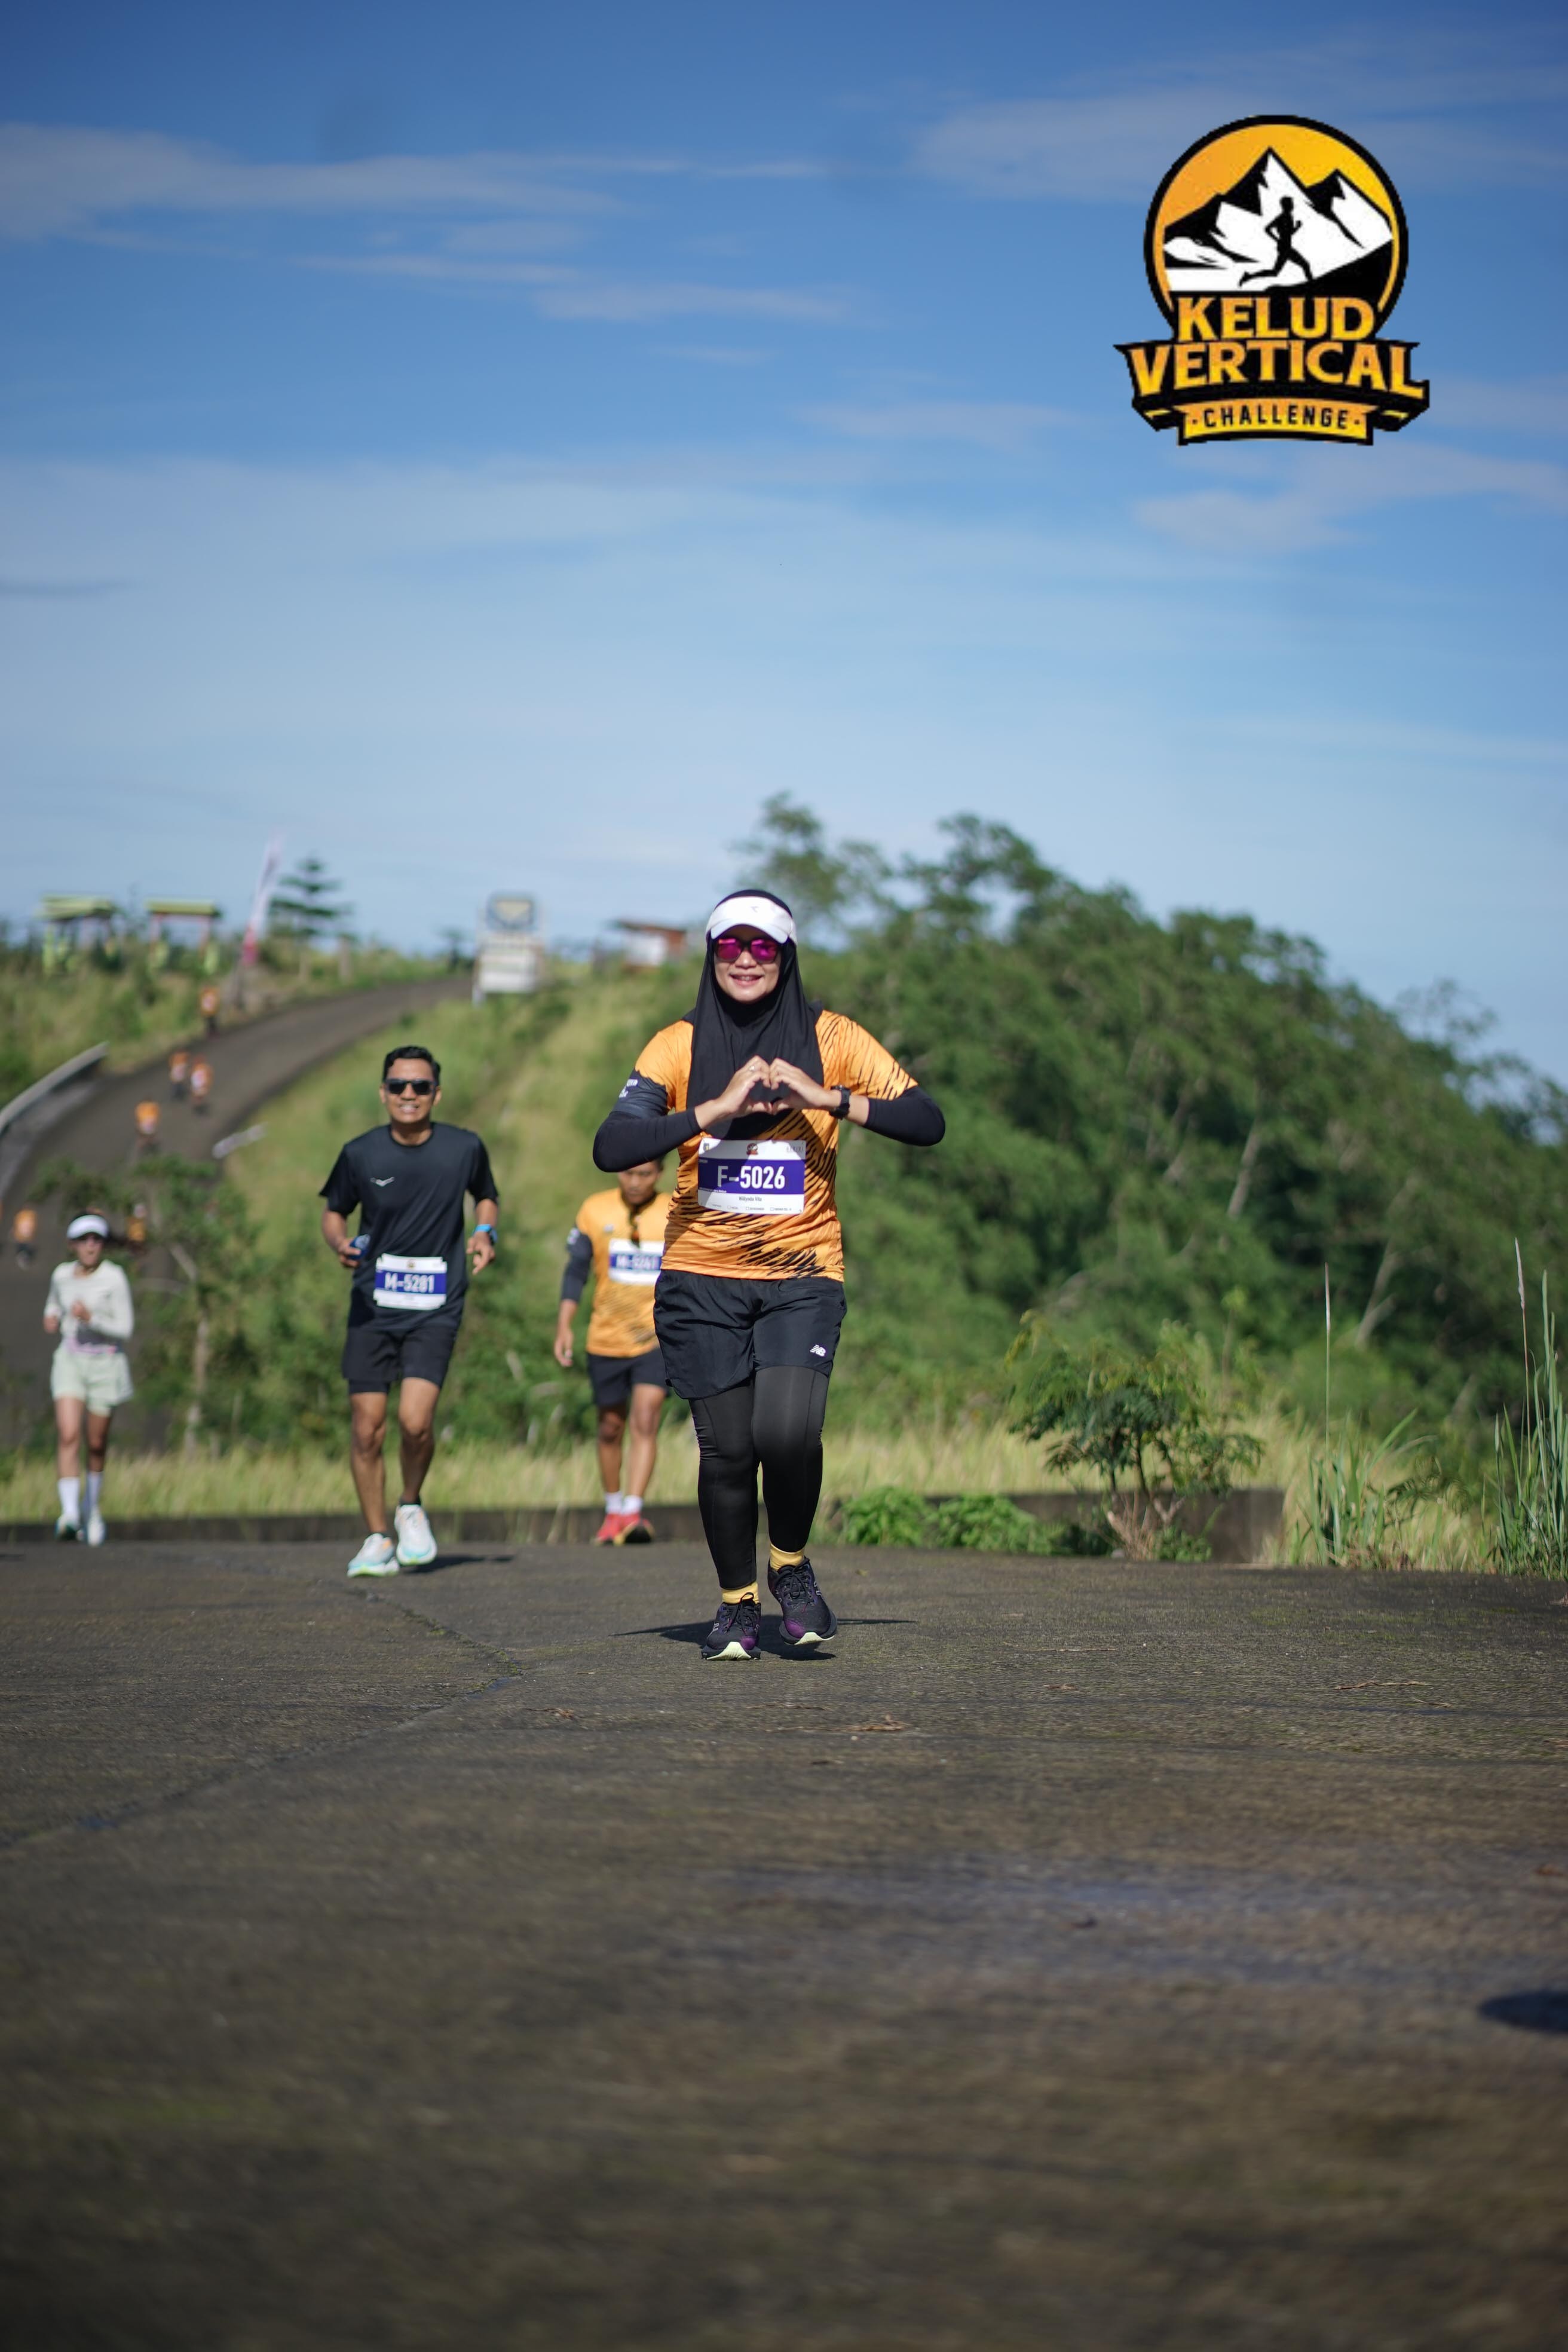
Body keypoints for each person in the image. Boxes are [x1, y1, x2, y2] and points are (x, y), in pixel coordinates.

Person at [593, 889, 944, 1660]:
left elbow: (926, 1121)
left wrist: (829, 1099)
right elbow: (612, 1145)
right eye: (730, 946)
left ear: (785, 956)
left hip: (802, 1274)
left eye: (762, 947)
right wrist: (709, 1110)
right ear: (711, 955)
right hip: (700, 1278)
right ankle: (735, 1604)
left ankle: (788, 1563)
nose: (745, 959)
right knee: (727, 1452)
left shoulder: (832, 1038)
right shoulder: (678, 1045)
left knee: (786, 1433)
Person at [320, 1045, 498, 1579]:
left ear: (436, 1095)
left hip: (435, 1305)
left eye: (421, 1086)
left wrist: (484, 1232)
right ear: (383, 1093)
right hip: (372, 1305)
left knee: (415, 1422)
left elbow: (486, 1196)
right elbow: (334, 1212)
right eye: (398, 1085)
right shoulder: (360, 1153)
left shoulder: (464, 1147)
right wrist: (339, 1244)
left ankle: (410, 1504)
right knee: (367, 1429)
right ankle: (378, 1538)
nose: (409, 1094)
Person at [555, 1159, 670, 1545]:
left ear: (659, 1174)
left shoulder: (672, 1210)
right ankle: (613, 1510)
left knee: (646, 1418)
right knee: (610, 1426)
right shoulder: (595, 1209)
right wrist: (564, 1325)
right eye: (628, 1173)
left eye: (645, 1174)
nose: (635, 1182)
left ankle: (634, 1512)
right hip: (606, 1338)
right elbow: (576, 1270)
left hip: (655, 1339)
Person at [44, 1211, 134, 1545]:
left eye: (96, 1239)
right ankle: (69, 1514)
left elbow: (125, 1328)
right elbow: (53, 1304)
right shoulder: (61, 1275)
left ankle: (91, 1508)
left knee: (96, 1443)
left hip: (105, 1364)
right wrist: (51, 1317)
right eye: (84, 1240)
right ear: (74, 1245)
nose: (91, 1246)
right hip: (71, 1359)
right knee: (69, 1434)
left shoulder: (114, 1278)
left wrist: (91, 1318)